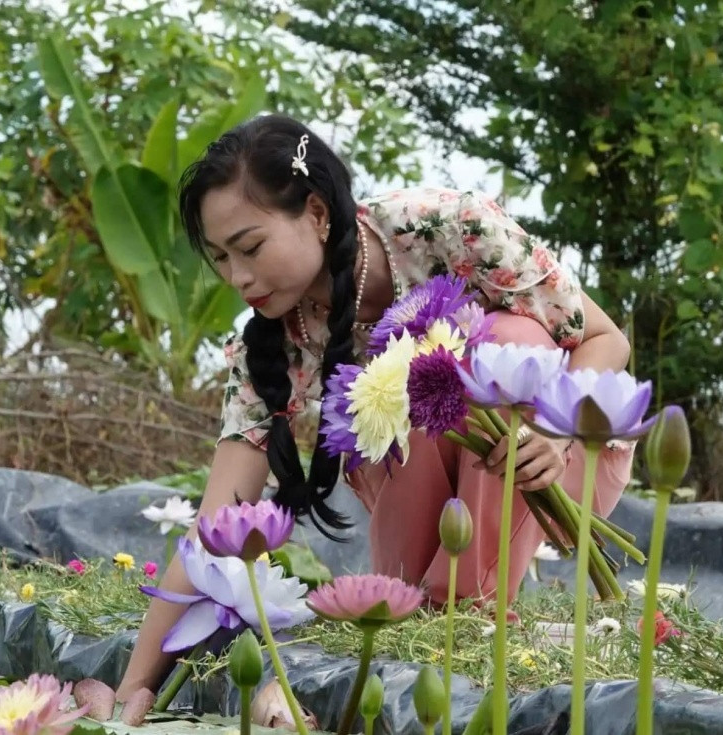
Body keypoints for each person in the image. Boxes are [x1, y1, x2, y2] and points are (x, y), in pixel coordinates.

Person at [114, 114, 634, 700]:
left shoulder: (446, 226)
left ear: (315, 213)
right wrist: (135, 685)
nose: (238, 277)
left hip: (557, 452)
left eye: (250, 248)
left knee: (505, 342)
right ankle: (439, 624)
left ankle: (467, 618)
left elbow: (605, 340)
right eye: (221, 258)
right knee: (384, 395)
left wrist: (553, 429)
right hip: (419, 491)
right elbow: (215, 524)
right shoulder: (268, 343)